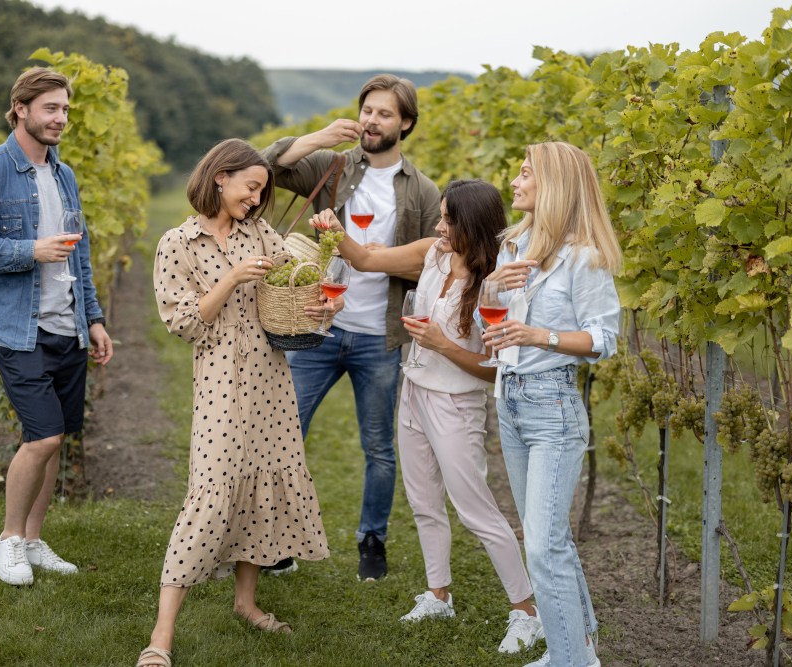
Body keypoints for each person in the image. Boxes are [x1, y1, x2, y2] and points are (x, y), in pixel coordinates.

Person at [308, 179, 545, 654]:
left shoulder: (499, 278)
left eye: (447, 221)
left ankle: (528, 611)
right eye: (439, 217)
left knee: (475, 509)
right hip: (414, 389)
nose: (438, 227)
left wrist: (442, 344)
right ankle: (439, 594)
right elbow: (367, 259)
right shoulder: (433, 254)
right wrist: (333, 230)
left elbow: (493, 369)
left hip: (456, 403)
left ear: (472, 226)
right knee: (422, 502)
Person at [137, 139, 334, 667]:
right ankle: (161, 636)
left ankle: (246, 603)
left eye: (262, 191)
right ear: (220, 177)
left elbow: (294, 278)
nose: (256, 199)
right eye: (251, 188)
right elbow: (183, 324)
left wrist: (322, 261)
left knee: (263, 483)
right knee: (211, 493)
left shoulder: (258, 232)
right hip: (222, 382)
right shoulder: (177, 243)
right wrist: (230, 278)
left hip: (271, 378)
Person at [261, 74, 442, 581]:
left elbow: (433, 266)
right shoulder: (333, 166)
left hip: (378, 337)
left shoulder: (423, 191)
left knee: (380, 447)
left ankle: (372, 541)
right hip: (315, 328)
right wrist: (318, 138)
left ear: (405, 123)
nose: (372, 121)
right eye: (367, 111)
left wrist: (374, 260)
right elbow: (260, 168)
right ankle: (276, 540)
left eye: (385, 114)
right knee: (284, 433)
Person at [0, 68, 113, 587]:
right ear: (20, 108)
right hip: (16, 325)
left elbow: (79, 254)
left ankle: (34, 541)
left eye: (65, 109)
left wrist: (95, 317)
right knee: (42, 437)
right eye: (50, 108)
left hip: (67, 323)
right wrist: (28, 252)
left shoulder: (64, 175)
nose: (60, 118)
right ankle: (9, 542)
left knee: (54, 438)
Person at [481, 142, 621, 667]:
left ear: (554, 185)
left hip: (553, 408)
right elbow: (488, 325)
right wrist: (493, 289)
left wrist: (542, 336)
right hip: (511, 404)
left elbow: (604, 338)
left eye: (524, 174)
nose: (514, 182)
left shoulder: (583, 258)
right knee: (549, 538)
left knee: (541, 547)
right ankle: (579, 650)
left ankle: (570, 662)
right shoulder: (513, 246)